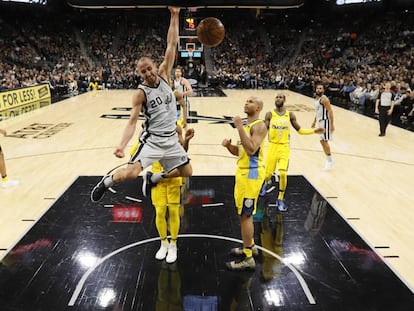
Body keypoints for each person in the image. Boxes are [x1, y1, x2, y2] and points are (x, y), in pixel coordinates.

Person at [91, 7, 192, 202]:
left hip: (171, 138)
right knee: (130, 173)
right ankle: (106, 181)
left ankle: (154, 177)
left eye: (149, 69)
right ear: (140, 74)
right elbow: (132, 122)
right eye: (143, 72)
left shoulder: (165, 74)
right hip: (152, 140)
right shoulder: (140, 93)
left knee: (187, 170)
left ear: (155, 66)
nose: (148, 73)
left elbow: (172, 43)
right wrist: (121, 145)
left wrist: (175, 15)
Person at [222, 96, 267, 271]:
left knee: (246, 215)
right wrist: (229, 147)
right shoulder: (248, 127)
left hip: (252, 175)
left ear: (258, 107)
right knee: (243, 214)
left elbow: (251, 149)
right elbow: (241, 151)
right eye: (245, 100)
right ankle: (251, 246)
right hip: (243, 173)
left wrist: (239, 126)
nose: (245, 103)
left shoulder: (259, 125)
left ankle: (248, 258)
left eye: (250, 101)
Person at [263, 93, 325, 211]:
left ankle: (280, 198)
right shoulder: (269, 114)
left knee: (282, 173)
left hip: (284, 148)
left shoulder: (290, 114)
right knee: (267, 174)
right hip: (272, 146)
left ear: (284, 100)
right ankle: (266, 183)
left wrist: (314, 131)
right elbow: (263, 130)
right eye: (277, 97)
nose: (278, 99)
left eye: (281, 97)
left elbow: (300, 130)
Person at [151, 126, 194, 264]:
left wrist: (186, 140)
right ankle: (163, 243)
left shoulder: (175, 128)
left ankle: (173, 244)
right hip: (157, 176)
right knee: (159, 211)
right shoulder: (151, 127)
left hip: (174, 176)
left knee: (174, 212)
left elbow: (183, 150)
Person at [312, 83, 335, 170]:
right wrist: (314, 121)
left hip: (325, 122)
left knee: (324, 141)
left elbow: (330, 111)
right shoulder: (317, 99)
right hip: (320, 121)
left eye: (320, 88)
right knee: (322, 141)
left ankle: (330, 161)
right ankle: (329, 160)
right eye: (317, 88)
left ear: (323, 90)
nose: (319, 90)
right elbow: (318, 112)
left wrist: (332, 124)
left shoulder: (324, 99)